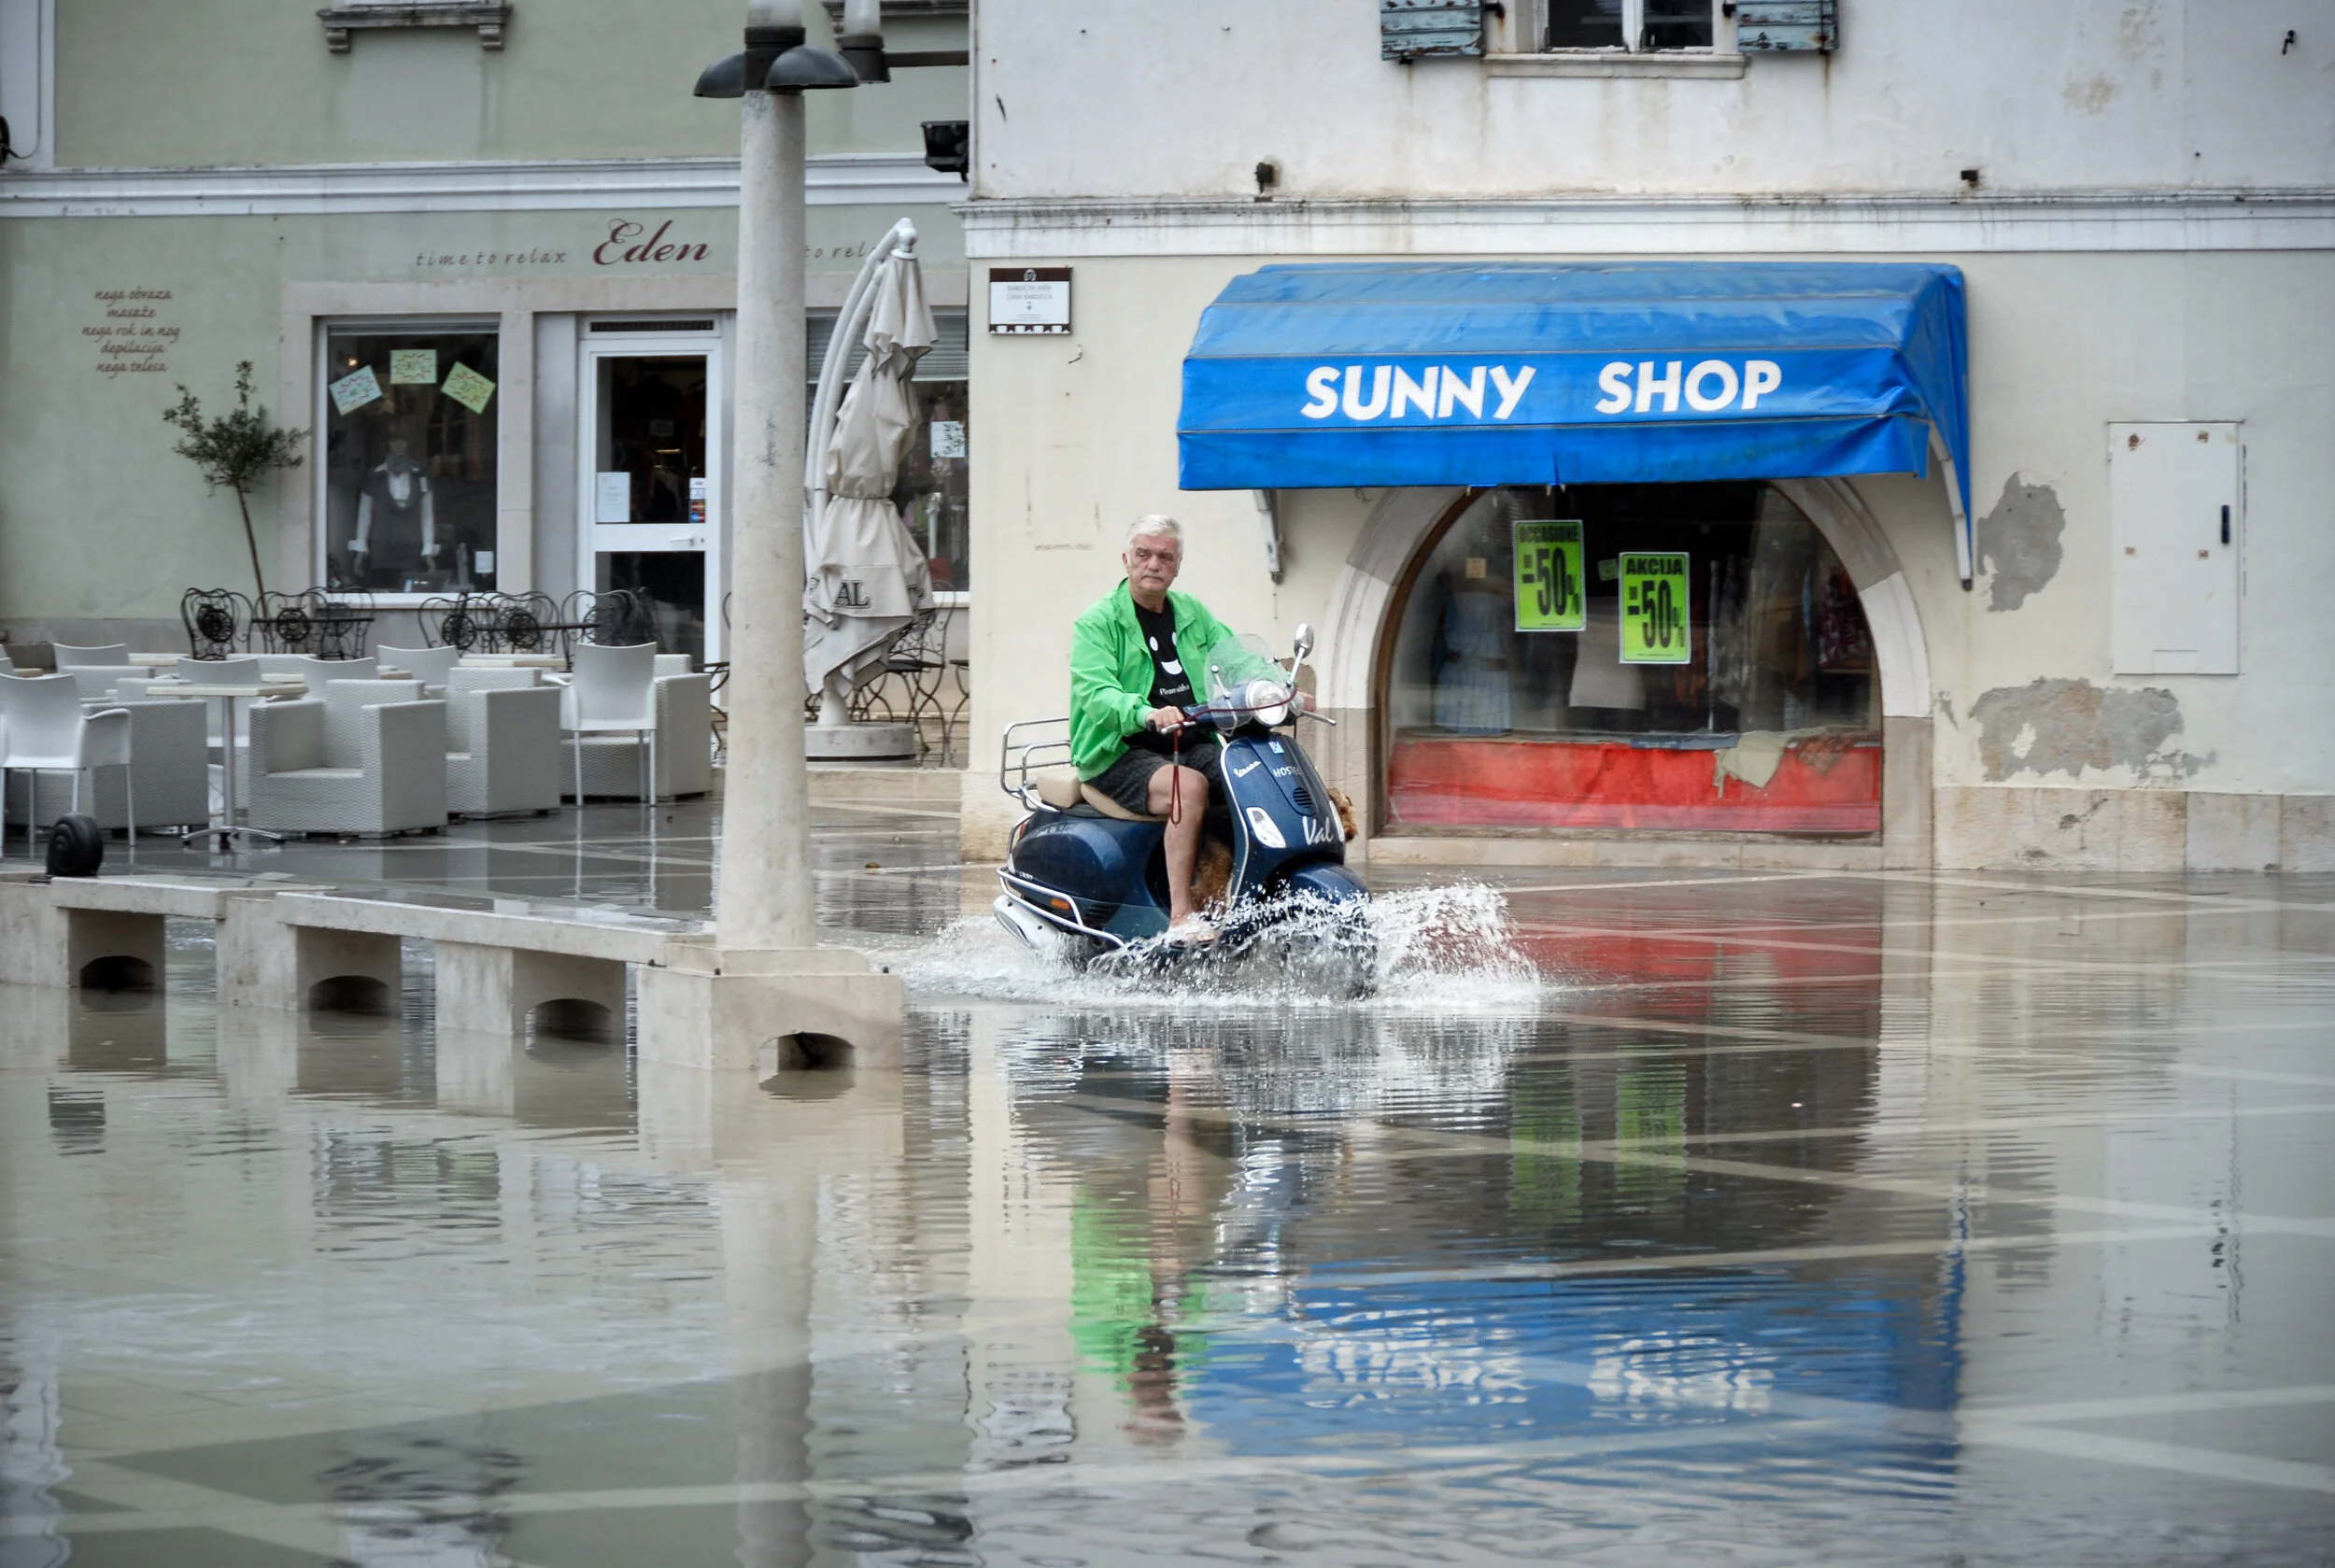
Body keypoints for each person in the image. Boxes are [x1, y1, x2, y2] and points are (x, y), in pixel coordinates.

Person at [1069, 515, 1239, 940]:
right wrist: (1143, 712)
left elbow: (1233, 657)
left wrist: (1276, 687)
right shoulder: (1097, 621)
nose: (1153, 564)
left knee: (1248, 772)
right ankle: (1182, 914)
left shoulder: (1192, 612)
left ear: (1177, 565)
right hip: (1119, 748)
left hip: (1187, 738)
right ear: (1126, 560)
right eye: (1144, 554)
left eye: (1165, 556)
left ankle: (1241, 892)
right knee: (1190, 787)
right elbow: (1096, 692)